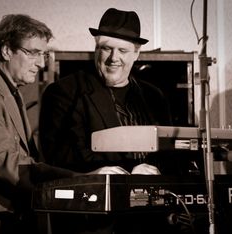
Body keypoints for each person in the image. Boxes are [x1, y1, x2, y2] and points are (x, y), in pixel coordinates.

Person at [0, 14, 129, 234]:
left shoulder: (10, 91)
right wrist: (81, 180)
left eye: (43, 54)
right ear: (6, 51)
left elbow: (25, 160)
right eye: (33, 53)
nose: (41, 63)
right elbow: (6, 162)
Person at [39, 8, 192, 234]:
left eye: (122, 50)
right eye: (107, 49)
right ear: (96, 49)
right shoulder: (64, 92)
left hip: (151, 220)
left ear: (136, 53)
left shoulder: (154, 96)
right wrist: (130, 172)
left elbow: (170, 154)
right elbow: (56, 156)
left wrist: (157, 172)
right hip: (94, 222)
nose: (114, 58)